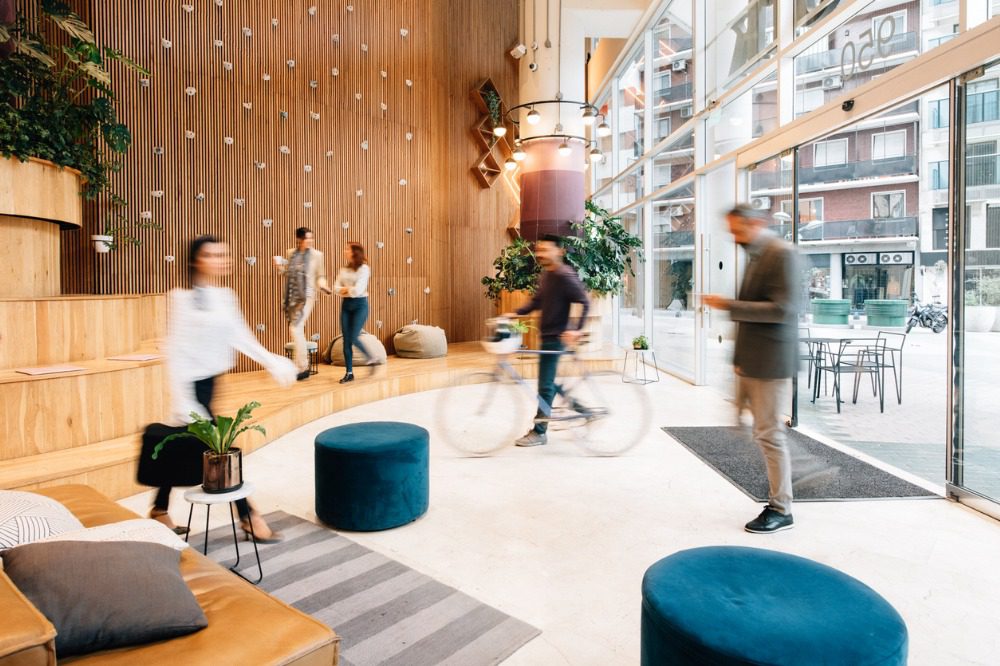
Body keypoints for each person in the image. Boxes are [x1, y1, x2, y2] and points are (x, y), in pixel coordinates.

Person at [153, 235, 297, 541]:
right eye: (212, 255)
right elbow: (174, 350)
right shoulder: (180, 298)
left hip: (211, 383)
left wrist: (272, 361)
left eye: (224, 254)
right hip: (191, 387)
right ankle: (248, 516)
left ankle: (159, 510)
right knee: (221, 451)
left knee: (181, 448)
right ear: (195, 261)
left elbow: (240, 336)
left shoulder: (225, 296)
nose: (222, 260)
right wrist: (183, 399)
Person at [703, 205, 801, 534]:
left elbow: (782, 309)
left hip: (771, 362)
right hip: (754, 360)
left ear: (756, 223)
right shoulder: (757, 254)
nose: (734, 238)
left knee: (770, 435)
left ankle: (781, 509)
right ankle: (785, 489)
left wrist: (728, 305)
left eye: (738, 231)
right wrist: (739, 359)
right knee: (762, 432)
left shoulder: (781, 253)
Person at [507, 234, 590, 447]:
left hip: (556, 338)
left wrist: (577, 330)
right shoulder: (547, 276)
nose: (541, 254)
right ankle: (583, 410)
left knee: (545, 387)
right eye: (539, 250)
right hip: (547, 337)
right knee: (549, 384)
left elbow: (584, 301)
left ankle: (539, 432)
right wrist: (514, 314)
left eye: (545, 250)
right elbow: (535, 302)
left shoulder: (564, 275)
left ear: (559, 251)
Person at [274, 227, 332, 381]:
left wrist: (323, 286)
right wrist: (279, 267)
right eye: (307, 238)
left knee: (296, 328)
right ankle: (300, 366)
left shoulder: (317, 255)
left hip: (307, 296)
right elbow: (288, 274)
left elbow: (320, 276)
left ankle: (302, 366)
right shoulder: (291, 253)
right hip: (292, 297)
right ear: (299, 239)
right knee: (296, 330)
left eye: (311, 238)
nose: (310, 241)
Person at [333, 242, 372, 384]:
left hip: (360, 305)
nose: (345, 251)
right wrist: (348, 289)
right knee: (346, 340)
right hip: (346, 306)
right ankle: (349, 373)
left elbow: (358, 291)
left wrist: (345, 289)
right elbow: (335, 288)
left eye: (347, 249)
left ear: (355, 252)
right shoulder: (343, 270)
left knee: (353, 337)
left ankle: (370, 357)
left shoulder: (364, 269)